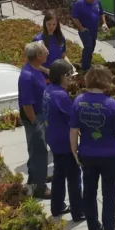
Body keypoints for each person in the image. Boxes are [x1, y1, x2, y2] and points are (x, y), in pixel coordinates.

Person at [70, 65, 115, 230]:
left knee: (89, 191)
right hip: (110, 155)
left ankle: (93, 227)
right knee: (109, 195)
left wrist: (75, 152)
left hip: (87, 153)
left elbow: (73, 130)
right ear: (106, 81)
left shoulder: (78, 102)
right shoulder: (112, 104)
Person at [43, 59, 83, 220]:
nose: (71, 79)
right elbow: (73, 119)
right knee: (74, 177)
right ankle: (78, 212)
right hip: (64, 142)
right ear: (61, 76)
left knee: (59, 173)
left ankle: (57, 206)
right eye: (69, 76)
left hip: (52, 138)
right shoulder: (61, 95)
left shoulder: (48, 90)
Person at [18, 41, 50, 198]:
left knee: (36, 150)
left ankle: (35, 179)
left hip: (39, 115)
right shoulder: (27, 76)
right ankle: (40, 188)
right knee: (39, 152)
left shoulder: (34, 68)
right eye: (45, 52)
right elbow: (27, 104)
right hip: (34, 118)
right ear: (38, 56)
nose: (47, 53)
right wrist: (35, 122)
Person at [72, 0, 106, 72]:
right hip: (85, 30)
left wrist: (104, 23)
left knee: (92, 46)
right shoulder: (79, 4)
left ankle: (87, 61)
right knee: (88, 47)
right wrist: (81, 28)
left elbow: (102, 13)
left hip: (94, 29)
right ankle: (85, 67)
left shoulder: (97, 2)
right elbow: (74, 17)